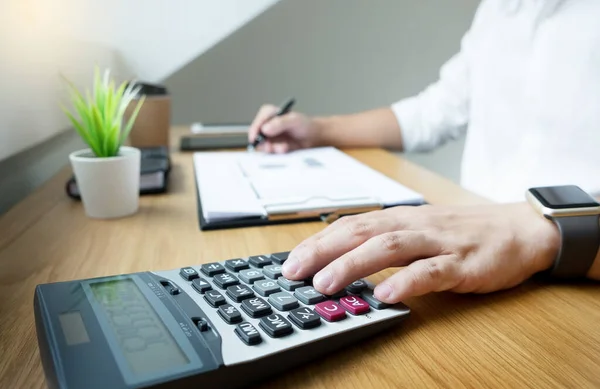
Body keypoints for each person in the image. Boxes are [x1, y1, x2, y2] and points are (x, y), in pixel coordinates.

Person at [247, 0, 600, 303]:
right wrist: (319, 131)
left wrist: (546, 230)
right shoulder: (499, 7)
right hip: (465, 248)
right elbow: (435, 112)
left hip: (577, 274)